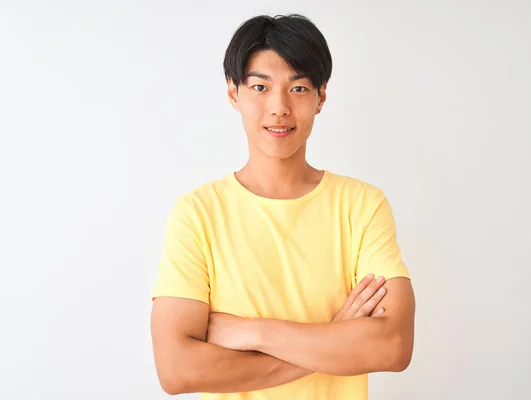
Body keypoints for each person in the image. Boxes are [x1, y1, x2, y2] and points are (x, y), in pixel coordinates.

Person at [150, 13, 415, 400]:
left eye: (299, 89)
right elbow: (177, 371)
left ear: (321, 96)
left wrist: (253, 332)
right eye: (260, 87)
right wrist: (335, 336)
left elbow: (392, 346)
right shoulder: (197, 213)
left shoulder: (361, 206)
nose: (279, 107)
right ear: (233, 93)